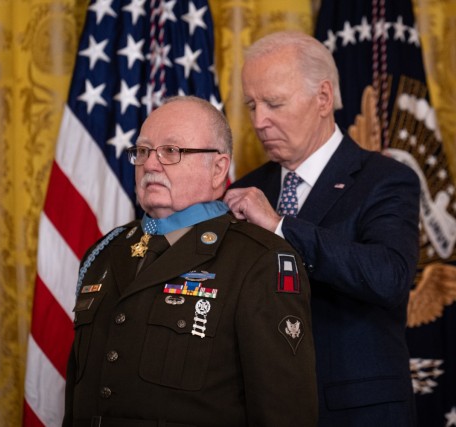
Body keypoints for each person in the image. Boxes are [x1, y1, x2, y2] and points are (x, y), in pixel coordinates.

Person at [63, 95, 318, 427]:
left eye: (171, 151)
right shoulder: (105, 253)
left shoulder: (259, 261)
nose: (150, 165)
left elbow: (285, 414)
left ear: (217, 169)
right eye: (142, 151)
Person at [224, 31, 420, 426]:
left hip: (355, 412)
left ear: (323, 98)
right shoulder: (245, 190)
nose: (259, 121)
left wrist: (281, 226)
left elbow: (389, 276)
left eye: (274, 103)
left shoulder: (384, 179)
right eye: (252, 105)